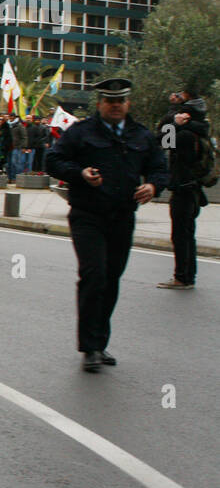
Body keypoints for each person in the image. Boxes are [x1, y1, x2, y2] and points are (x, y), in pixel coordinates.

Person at [45, 78, 169, 371]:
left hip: (122, 216)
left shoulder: (141, 135)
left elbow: (159, 167)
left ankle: (100, 342)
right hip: (88, 214)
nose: (115, 106)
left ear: (128, 104)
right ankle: (89, 347)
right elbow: (53, 160)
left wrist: (153, 186)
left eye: (120, 101)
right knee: (94, 274)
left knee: (112, 278)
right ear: (100, 104)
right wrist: (80, 173)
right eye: (110, 101)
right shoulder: (81, 132)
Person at [156, 88, 210, 290]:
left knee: (180, 235)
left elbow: (161, 141)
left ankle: (181, 277)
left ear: (187, 115)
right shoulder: (201, 131)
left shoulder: (186, 135)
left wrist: (173, 122)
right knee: (188, 234)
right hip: (194, 190)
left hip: (184, 190)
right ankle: (189, 276)